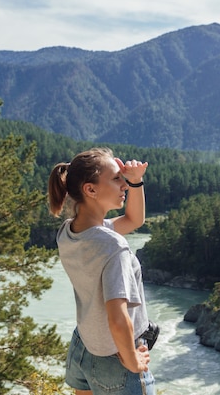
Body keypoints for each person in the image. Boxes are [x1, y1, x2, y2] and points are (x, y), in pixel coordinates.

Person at [48, 147, 156, 395]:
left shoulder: (69, 231)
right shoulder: (112, 246)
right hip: (115, 356)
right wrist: (131, 361)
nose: (124, 185)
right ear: (90, 189)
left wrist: (136, 182)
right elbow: (118, 318)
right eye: (117, 178)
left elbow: (133, 220)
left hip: (83, 347)